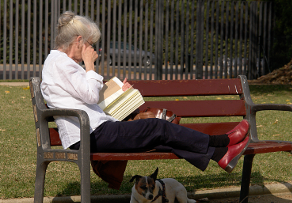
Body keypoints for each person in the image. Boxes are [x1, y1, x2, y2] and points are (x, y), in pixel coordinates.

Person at [41, 11, 250, 190]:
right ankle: (221, 142)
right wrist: (89, 65)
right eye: (90, 45)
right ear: (79, 41)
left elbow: (84, 97)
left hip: (94, 131)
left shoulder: (59, 63)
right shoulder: (61, 64)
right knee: (158, 127)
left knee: (161, 137)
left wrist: (118, 94)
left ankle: (221, 154)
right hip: (91, 134)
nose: (94, 50)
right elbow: (89, 95)